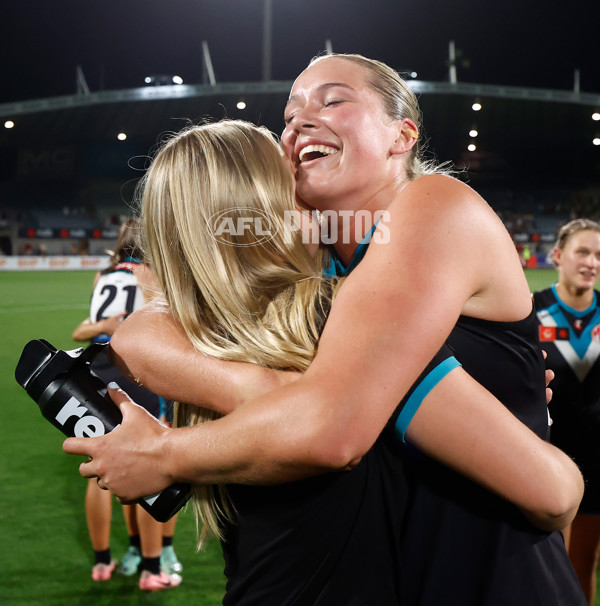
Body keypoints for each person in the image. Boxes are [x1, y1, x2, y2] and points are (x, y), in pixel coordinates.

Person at [65, 56, 586, 604]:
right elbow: (142, 331)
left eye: (333, 100)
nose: (299, 123)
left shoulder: (434, 205)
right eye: (288, 117)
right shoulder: (320, 282)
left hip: (501, 584)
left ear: (401, 135)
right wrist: (272, 391)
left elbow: (331, 425)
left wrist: (169, 450)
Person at [71, 217, 183, 592]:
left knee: (99, 465)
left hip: (97, 371)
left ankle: (105, 561)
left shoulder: (102, 276)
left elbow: (89, 326)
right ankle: (154, 566)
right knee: (154, 463)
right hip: (139, 372)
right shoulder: (151, 274)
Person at [533, 218, 600, 604]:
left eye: (598, 255)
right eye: (582, 252)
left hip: (597, 462)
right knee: (544, 568)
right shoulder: (530, 311)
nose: (591, 262)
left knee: (583, 563)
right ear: (558, 256)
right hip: (547, 455)